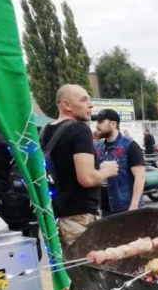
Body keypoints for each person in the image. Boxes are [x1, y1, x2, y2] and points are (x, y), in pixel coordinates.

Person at [40, 84, 118, 248]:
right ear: (66, 104)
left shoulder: (45, 131)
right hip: (79, 216)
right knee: (89, 269)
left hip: (54, 215)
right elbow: (86, 179)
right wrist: (106, 171)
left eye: (90, 99)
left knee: (66, 268)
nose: (90, 104)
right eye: (84, 100)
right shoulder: (79, 130)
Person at [0, 126, 41, 255]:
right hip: (17, 204)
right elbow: (16, 177)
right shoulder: (7, 139)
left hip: (11, 201)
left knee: (27, 245)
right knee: (29, 247)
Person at [93, 109, 146, 216]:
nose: (97, 126)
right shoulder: (98, 147)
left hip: (126, 209)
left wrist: (134, 206)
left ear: (113, 124)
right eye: (97, 122)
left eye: (101, 122)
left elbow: (140, 177)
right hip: (106, 210)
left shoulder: (130, 146)